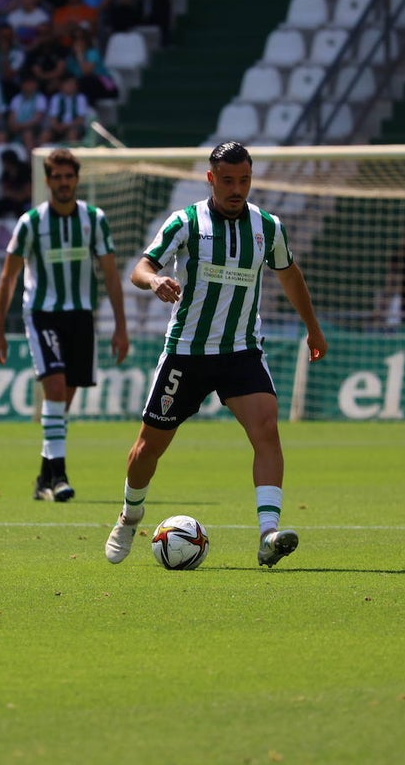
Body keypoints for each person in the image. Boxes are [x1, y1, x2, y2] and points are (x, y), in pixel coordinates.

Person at [102, 141, 327, 568]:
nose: (236, 189)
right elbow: (141, 267)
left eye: (243, 180)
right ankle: (130, 515)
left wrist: (312, 328)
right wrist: (155, 282)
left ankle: (268, 534)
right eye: (227, 180)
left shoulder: (267, 227)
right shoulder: (186, 222)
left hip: (241, 351)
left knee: (266, 429)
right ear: (211, 179)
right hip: (186, 354)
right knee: (146, 450)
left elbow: (289, 274)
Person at [0, 147, 129, 502]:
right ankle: (60, 476)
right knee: (53, 389)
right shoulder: (31, 223)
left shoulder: (94, 219)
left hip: (81, 317)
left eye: (69, 177)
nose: (64, 183)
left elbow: (111, 275)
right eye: (57, 177)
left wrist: (120, 326)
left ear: (76, 180)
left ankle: (43, 478)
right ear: (47, 180)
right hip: (42, 314)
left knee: (62, 403)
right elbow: (8, 278)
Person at [41, 73, 90, 144]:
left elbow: (80, 119)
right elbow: (52, 117)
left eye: (73, 84)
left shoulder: (80, 98)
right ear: (61, 86)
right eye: (68, 84)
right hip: (58, 127)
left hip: (74, 126)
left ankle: (72, 154)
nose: (71, 86)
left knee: (72, 133)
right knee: (45, 135)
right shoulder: (56, 98)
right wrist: (57, 126)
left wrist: (67, 126)